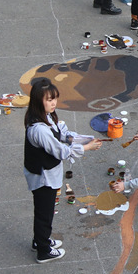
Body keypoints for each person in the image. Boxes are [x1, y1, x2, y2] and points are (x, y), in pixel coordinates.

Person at [24, 77, 102, 263]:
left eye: (54, 98)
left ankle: (40, 240)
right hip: (43, 176)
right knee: (45, 213)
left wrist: (81, 139)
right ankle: (43, 250)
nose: (53, 103)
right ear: (38, 101)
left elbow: (62, 133)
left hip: (45, 172)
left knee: (44, 210)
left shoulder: (44, 117)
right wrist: (86, 147)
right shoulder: (40, 129)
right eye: (49, 100)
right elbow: (60, 150)